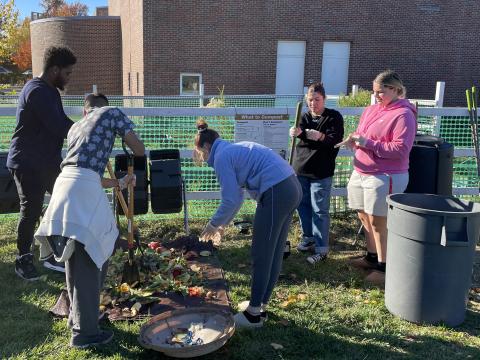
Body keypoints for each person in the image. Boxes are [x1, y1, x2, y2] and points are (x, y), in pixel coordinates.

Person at [35, 93, 145, 348]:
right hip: (82, 192)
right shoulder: (111, 112)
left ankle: (77, 317)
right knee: (91, 258)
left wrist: (119, 182)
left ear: (85, 112)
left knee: (78, 258)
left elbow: (84, 171)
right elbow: (138, 149)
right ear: (100, 109)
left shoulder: (76, 128)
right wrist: (134, 153)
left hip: (65, 186)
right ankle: (85, 334)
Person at [195, 119, 302, 328]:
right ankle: (260, 304)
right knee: (273, 251)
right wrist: (223, 225)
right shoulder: (231, 149)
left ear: (207, 147)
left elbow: (231, 199)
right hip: (291, 187)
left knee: (261, 254)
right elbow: (238, 196)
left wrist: (212, 225)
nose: (201, 157)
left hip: (277, 192)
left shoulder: (221, 157)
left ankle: (253, 315)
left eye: (200, 152)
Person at [7, 46, 77, 280]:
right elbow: (57, 125)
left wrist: (82, 126)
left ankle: (51, 249)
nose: (68, 78)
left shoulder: (50, 91)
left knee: (64, 200)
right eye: (67, 73)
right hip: (27, 161)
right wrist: (83, 131)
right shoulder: (36, 91)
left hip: (46, 162)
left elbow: (63, 121)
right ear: (54, 69)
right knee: (31, 208)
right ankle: (23, 259)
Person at [342, 70, 417, 286]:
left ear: (395, 90)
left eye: (381, 92)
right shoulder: (371, 110)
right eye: (374, 92)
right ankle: (371, 257)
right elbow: (362, 133)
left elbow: (401, 149)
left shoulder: (404, 115)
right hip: (362, 171)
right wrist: (354, 140)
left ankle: (385, 268)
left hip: (385, 175)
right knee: (364, 215)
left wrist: (368, 143)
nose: (376, 96)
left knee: (379, 222)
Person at [289, 82, 344, 264]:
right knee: (302, 205)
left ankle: (321, 249)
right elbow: (301, 135)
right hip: (301, 169)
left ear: (324, 99)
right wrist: (297, 133)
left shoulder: (333, 117)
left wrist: (320, 136)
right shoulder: (303, 116)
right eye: (310, 100)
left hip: (321, 172)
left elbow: (334, 141)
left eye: (317, 100)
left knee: (320, 210)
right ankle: (308, 237)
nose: (313, 104)